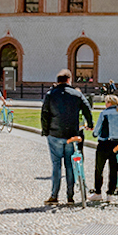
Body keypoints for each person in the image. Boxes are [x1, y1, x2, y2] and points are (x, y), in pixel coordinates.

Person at [40, 69, 93, 206]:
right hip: (71, 133)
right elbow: (87, 109)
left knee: (56, 165)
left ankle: (54, 195)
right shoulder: (76, 94)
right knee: (70, 165)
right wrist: (90, 124)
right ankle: (70, 196)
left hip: (55, 133)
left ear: (58, 81)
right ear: (69, 80)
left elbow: (44, 114)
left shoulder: (50, 94)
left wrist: (46, 130)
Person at [92, 94, 118, 198]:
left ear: (109, 103)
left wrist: (94, 134)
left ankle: (98, 192)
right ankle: (110, 193)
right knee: (114, 169)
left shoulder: (104, 113)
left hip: (104, 143)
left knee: (99, 168)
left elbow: (97, 130)